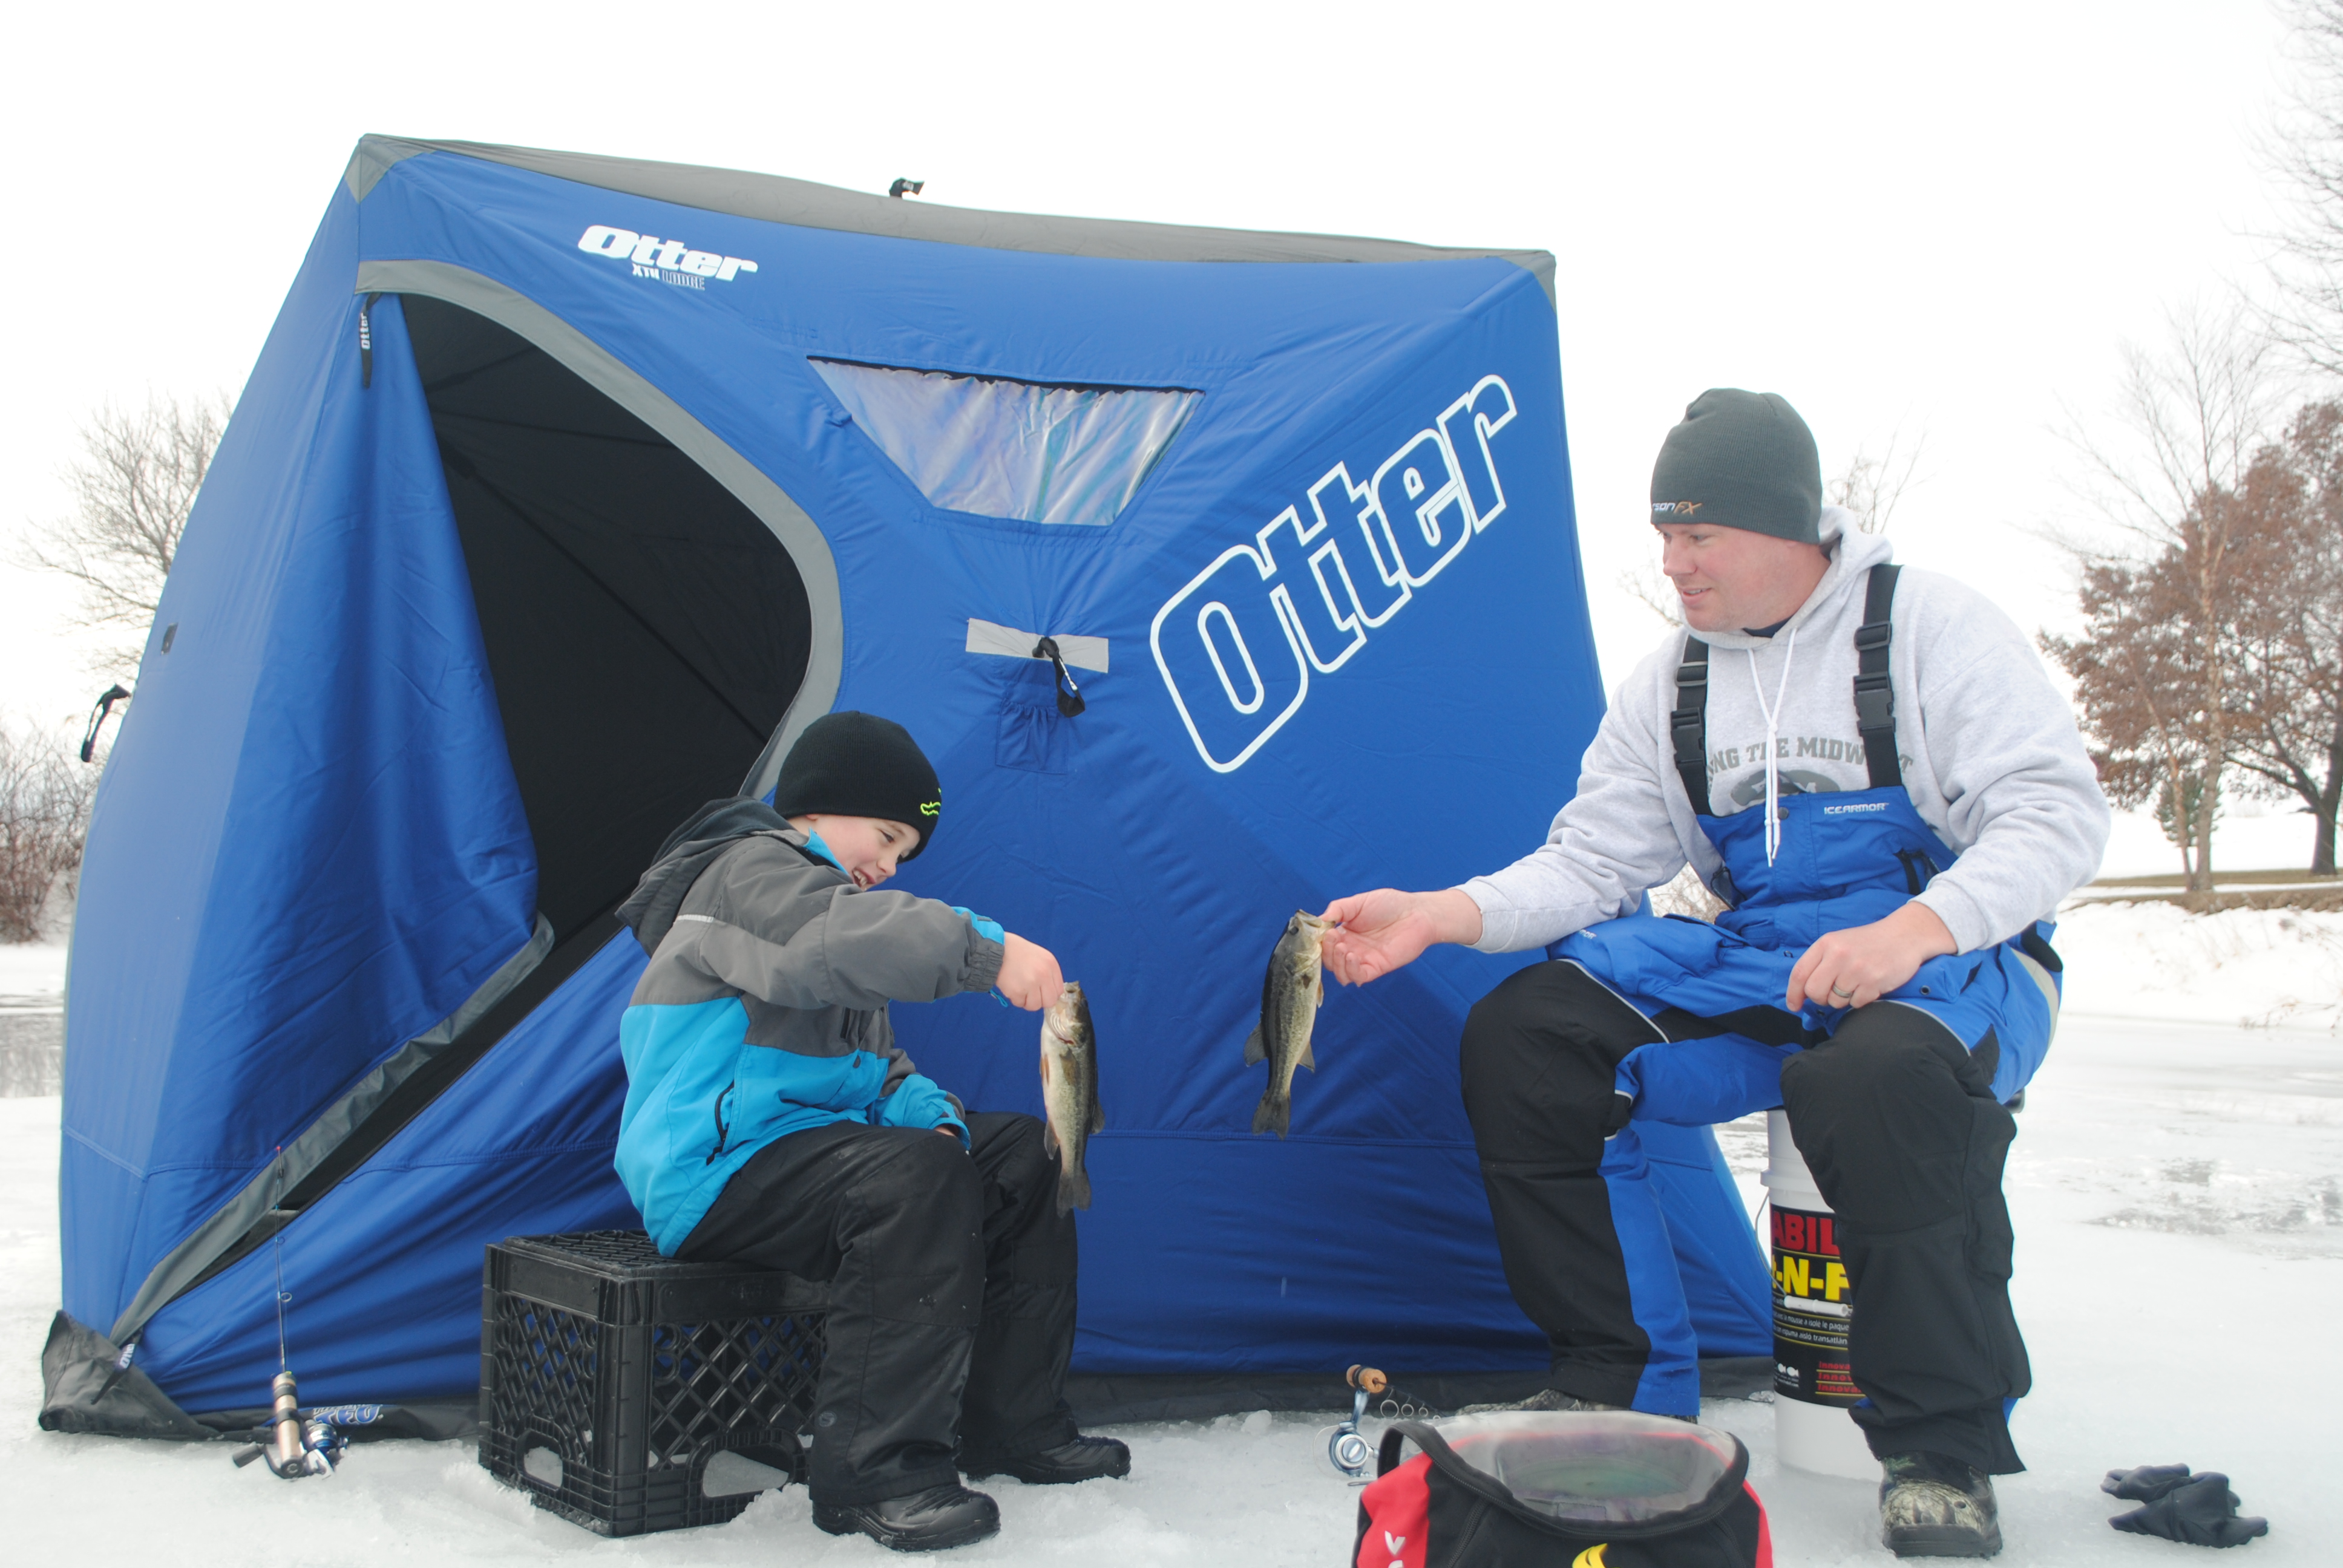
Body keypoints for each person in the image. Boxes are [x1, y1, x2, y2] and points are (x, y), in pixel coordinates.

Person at [1320, 390, 2108, 1560]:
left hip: (1957, 958)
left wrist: (1919, 931)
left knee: (1874, 1082)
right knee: (1530, 1035)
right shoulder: (1671, 684)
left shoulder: (1934, 627)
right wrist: (1442, 915)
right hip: (1767, 958)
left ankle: (1941, 1446)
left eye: (1699, 536)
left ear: (1786, 527)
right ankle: (1617, 1383)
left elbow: (2057, 817)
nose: (1675, 564)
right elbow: (1594, 858)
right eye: (1665, 538)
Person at [612, 710, 1130, 1554]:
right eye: (886, 837)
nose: (885, 867)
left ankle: (1014, 1423)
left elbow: (873, 1070)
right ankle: (876, 1473)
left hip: (814, 1160)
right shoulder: (749, 875)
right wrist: (984, 952)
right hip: (713, 1171)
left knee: (1023, 1161)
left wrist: (935, 1118)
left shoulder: (837, 931)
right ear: (815, 807)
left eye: (902, 857)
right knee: (910, 1181)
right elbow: (829, 940)